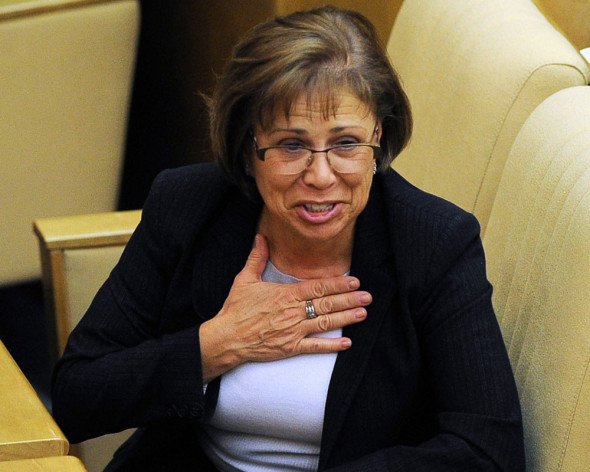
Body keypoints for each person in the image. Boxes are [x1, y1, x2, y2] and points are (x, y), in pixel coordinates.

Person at [52, 6, 525, 471]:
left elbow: (488, 451)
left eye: (345, 143)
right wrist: (217, 344)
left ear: (378, 136)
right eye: (291, 145)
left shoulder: (434, 244)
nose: (320, 176)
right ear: (248, 147)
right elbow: (77, 395)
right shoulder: (189, 206)